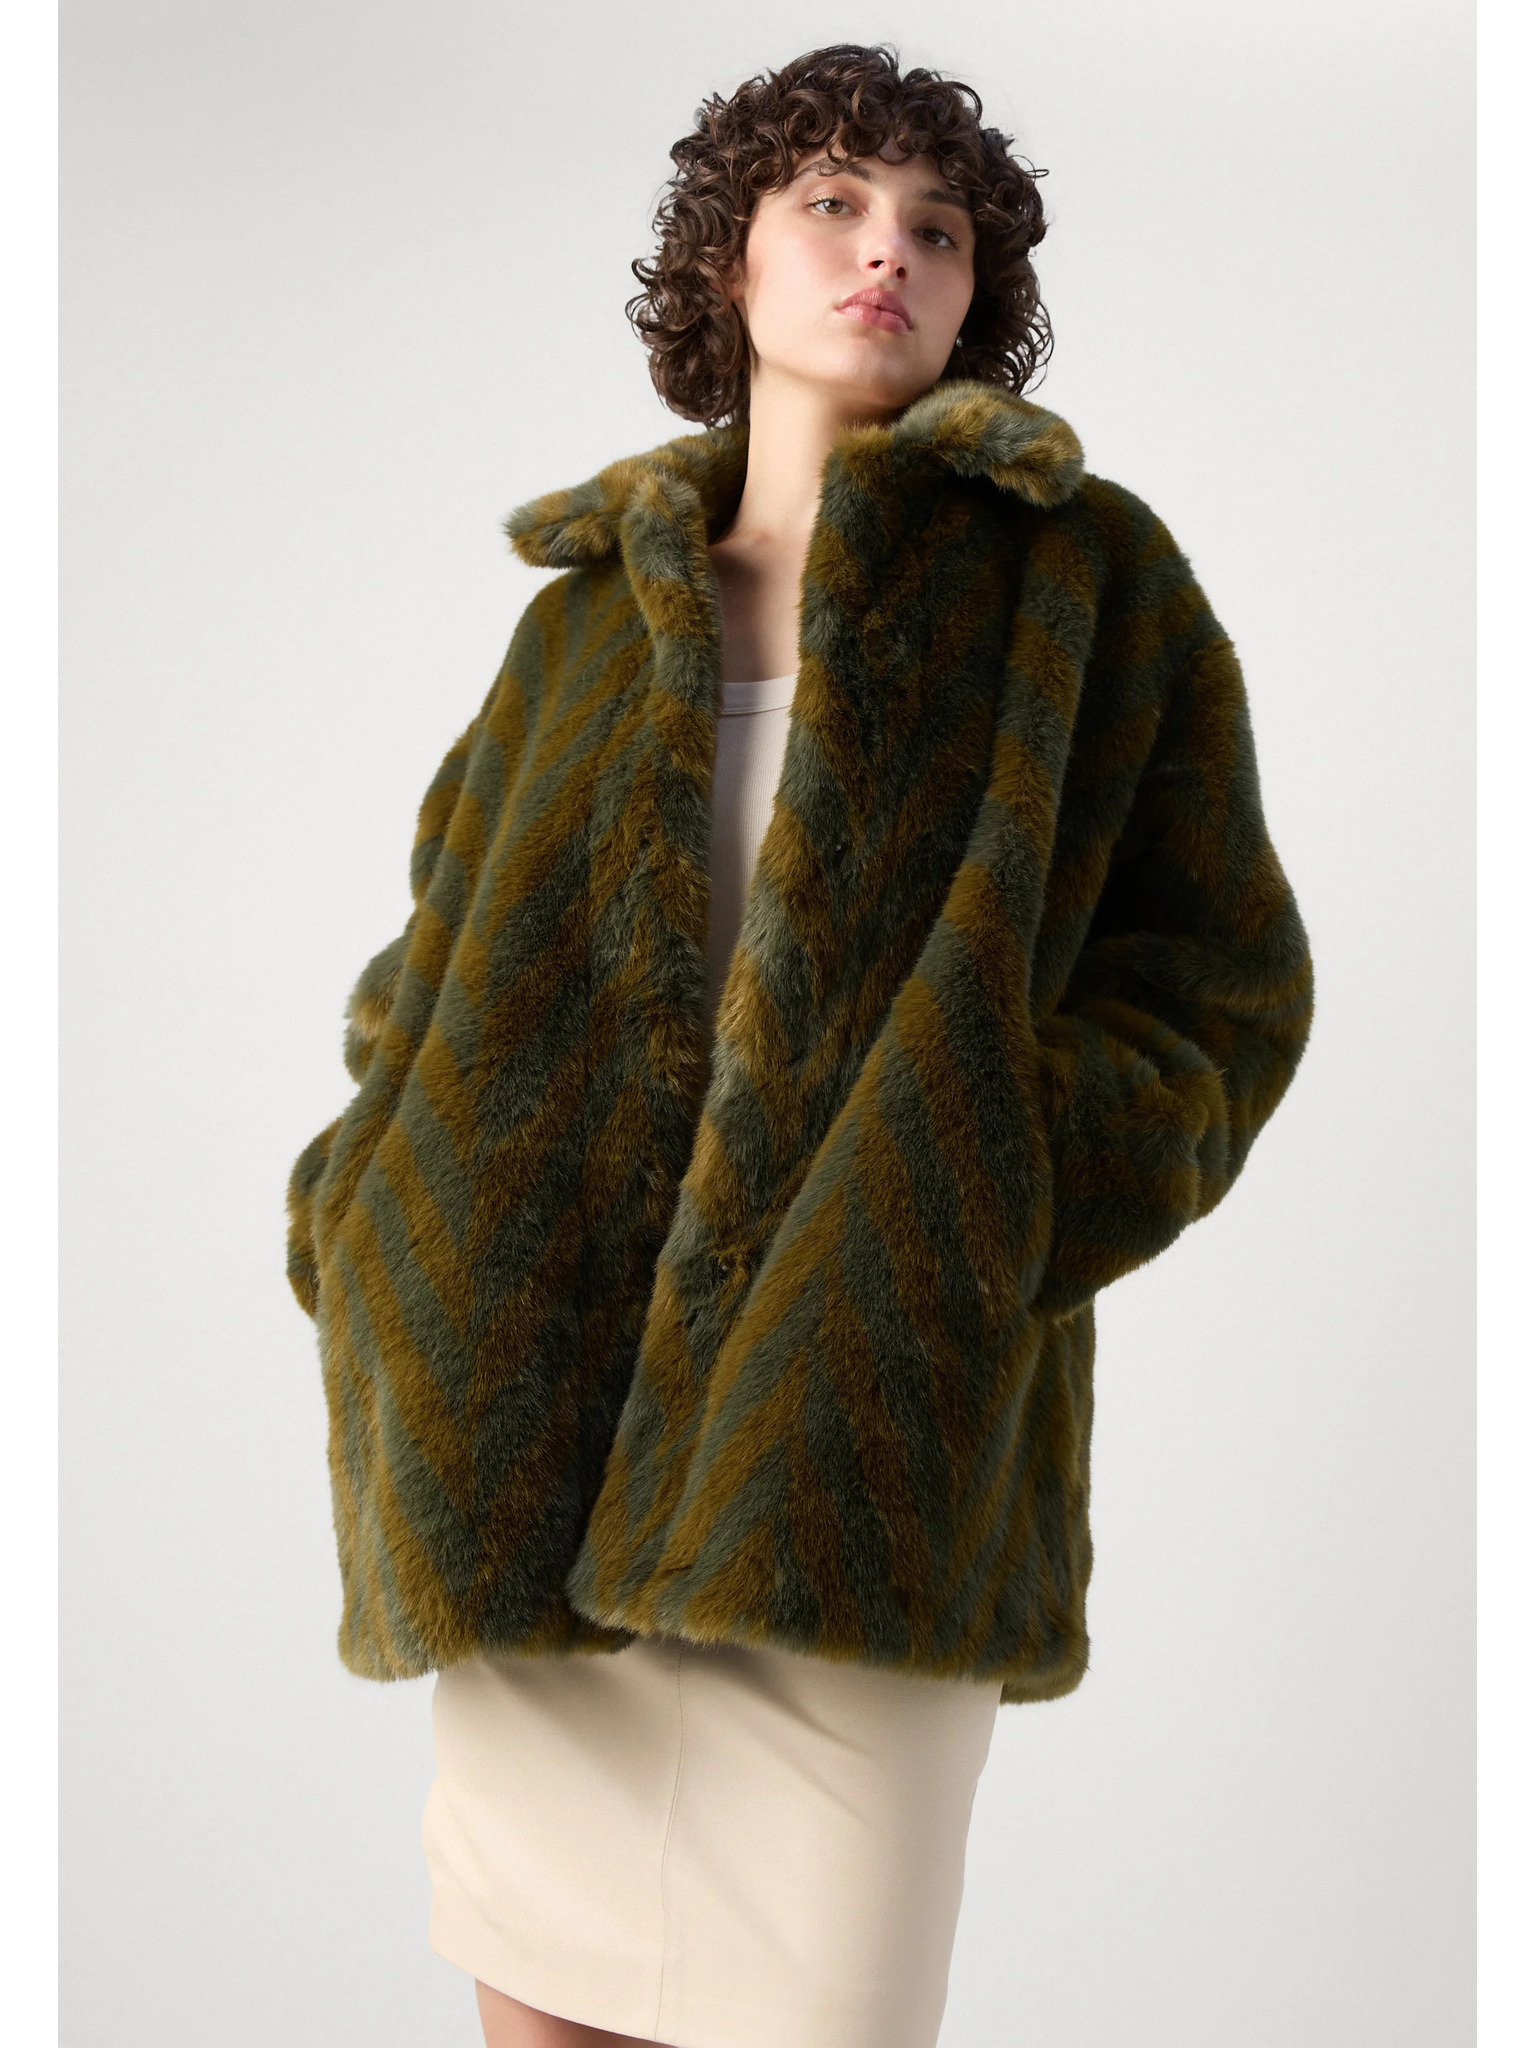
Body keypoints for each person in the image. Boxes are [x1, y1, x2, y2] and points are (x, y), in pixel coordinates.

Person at [284, 41, 1315, 2048]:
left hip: (858, 1465)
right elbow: (430, 968)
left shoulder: (1083, 585)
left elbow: (1221, 982)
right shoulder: (587, 625)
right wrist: (367, 1213)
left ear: (976, 293)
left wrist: (984, 1201)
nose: (888, 251)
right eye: (832, 203)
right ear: (729, 264)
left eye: (939, 227)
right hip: (532, 1449)